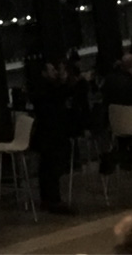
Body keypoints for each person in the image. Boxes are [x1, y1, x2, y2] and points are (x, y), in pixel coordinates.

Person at [30, 59, 80, 215]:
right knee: (52, 166)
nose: (55, 73)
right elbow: (58, 99)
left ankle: (48, 198)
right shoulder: (48, 90)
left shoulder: (40, 89)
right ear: (44, 73)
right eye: (52, 70)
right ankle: (54, 199)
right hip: (52, 132)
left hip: (46, 132)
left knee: (46, 166)